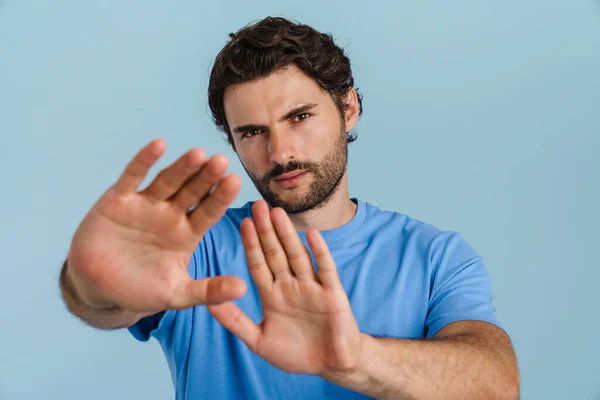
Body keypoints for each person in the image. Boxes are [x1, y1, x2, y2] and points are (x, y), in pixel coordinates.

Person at [59, 16, 520, 400]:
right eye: (253, 132)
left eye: (299, 117)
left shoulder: (436, 257)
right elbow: (106, 303)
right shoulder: (198, 248)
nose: (280, 153)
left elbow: (497, 385)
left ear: (349, 108)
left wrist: (357, 358)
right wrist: (92, 286)